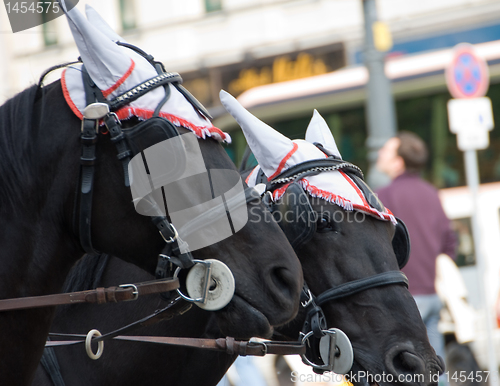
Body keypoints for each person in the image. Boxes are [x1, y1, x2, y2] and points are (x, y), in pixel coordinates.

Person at [376, 131, 457, 365]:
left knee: (402, 370)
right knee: (434, 366)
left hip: (405, 297)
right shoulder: (431, 193)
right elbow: (449, 243)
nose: (380, 153)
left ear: (398, 161)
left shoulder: (384, 196)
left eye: (387, 150)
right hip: (432, 294)